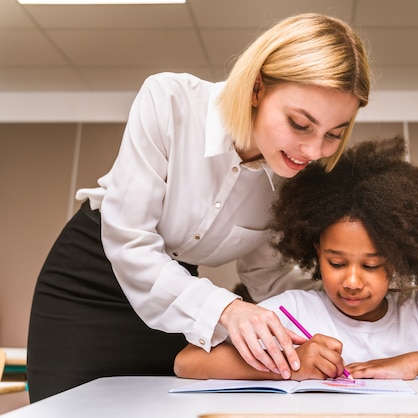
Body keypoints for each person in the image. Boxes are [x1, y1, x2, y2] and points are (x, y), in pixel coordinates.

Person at [26, 13, 371, 402]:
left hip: (177, 305)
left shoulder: (293, 176)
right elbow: (129, 240)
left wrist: (360, 300)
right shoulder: (169, 101)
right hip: (91, 279)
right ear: (257, 89)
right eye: (299, 124)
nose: (312, 151)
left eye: (333, 135)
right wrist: (227, 310)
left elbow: (268, 276)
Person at [174, 137, 418, 381]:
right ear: (315, 251)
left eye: (373, 265)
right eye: (336, 262)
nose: (352, 281)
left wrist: (412, 363)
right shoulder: (292, 311)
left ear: (397, 259)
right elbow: (188, 362)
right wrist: (293, 366)